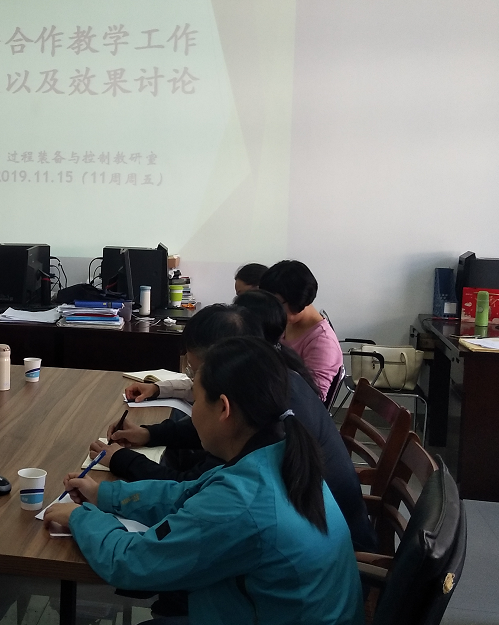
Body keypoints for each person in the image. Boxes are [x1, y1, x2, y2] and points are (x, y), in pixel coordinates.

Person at [45, 337, 364, 625]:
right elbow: (185, 494)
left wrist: (80, 518)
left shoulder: (242, 502)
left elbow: (133, 563)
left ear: (223, 408)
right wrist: (104, 494)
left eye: (195, 401)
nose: (192, 413)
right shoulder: (279, 454)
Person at [112, 303, 375, 551]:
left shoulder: (263, 432)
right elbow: (207, 430)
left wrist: (123, 461)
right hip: (321, 540)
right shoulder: (270, 385)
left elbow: (193, 489)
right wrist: (150, 434)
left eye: (196, 372)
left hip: (334, 546)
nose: (194, 384)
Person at [258, 260, 342, 398]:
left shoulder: (322, 343)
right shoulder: (287, 322)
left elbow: (312, 398)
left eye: (277, 303)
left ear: (296, 300)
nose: (271, 309)